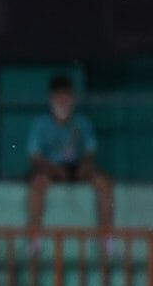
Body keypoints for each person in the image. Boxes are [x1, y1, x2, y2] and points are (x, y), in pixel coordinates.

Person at [25, 76, 114, 232]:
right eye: (58, 96)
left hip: (77, 169)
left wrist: (85, 167)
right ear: (51, 99)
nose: (62, 101)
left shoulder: (82, 122)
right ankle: (34, 238)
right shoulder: (41, 124)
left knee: (104, 183)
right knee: (38, 183)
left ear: (73, 99)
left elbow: (90, 152)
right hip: (50, 170)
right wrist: (53, 169)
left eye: (66, 96)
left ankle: (107, 238)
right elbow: (35, 156)